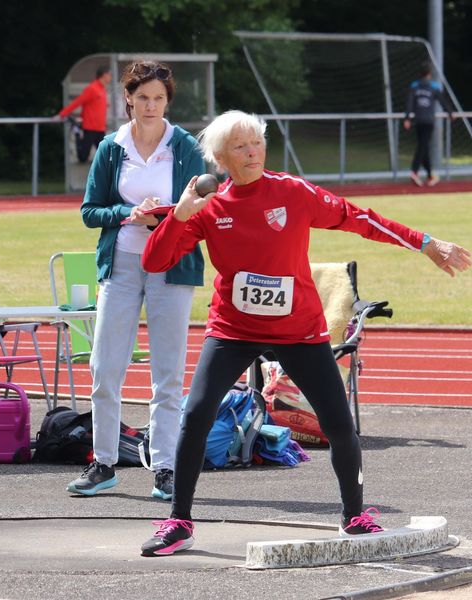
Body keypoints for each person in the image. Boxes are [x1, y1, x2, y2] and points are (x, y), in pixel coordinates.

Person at [139, 110, 471, 556]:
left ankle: (354, 516)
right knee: (196, 413)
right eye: (240, 146)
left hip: (298, 330)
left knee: (338, 423)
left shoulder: (292, 192)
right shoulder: (209, 206)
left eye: (257, 142)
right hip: (233, 329)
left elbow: (359, 217)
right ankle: (179, 521)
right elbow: (154, 261)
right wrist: (180, 215)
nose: (252, 152)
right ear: (220, 158)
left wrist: (426, 243)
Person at [66, 60, 206, 500]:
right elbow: (90, 212)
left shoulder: (185, 146)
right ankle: (103, 463)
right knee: (104, 367)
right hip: (122, 266)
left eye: (158, 98)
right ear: (128, 98)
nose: (150, 105)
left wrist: (163, 218)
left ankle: (165, 468)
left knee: (168, 372)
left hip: (172, 266)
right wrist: (130, 213)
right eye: (142, 97)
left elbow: (200, 208)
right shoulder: (112, 147)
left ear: (167, 101)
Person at [403, 61, 455, 187]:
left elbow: (409, 103)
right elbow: (442, 101)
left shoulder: (414, 86)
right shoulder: (434, 86)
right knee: (422, 146)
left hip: (418, 121)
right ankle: (414, 171)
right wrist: (450, 113)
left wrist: (407, 118)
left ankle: (430, 175)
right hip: (428, 121)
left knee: (424, 147)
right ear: (430, 74)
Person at [57, 65, 112, 163]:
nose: (110, 77)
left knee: (106, 156)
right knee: (83, 157)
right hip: (90, 128)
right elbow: (78, 101)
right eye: (109, 75)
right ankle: (78, 135)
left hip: (100, 129)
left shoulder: (102, 89)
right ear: (104, 75)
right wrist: (62, 114)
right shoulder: (92, 88)